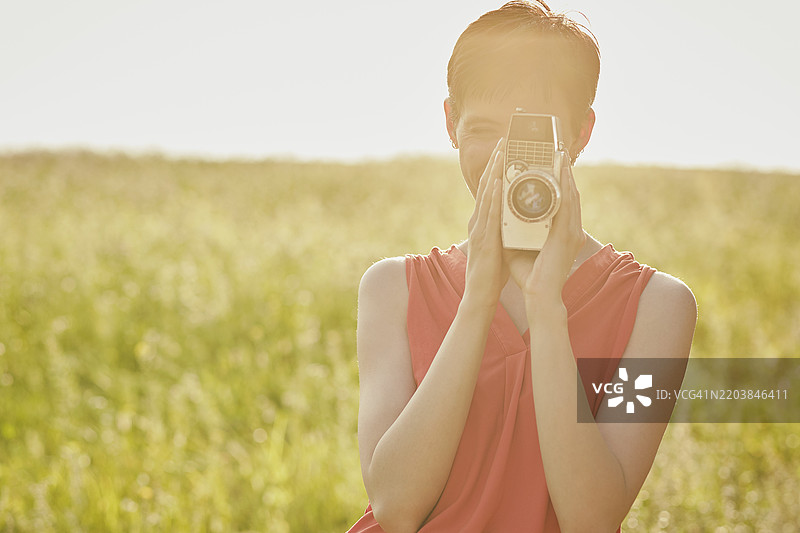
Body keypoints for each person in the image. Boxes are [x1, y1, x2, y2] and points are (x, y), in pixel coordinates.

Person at [347, 2, 697, 532]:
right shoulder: (391, 288)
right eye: (484, 128)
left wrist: (546, 308)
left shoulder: (659, 307)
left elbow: (592, 518)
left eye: (534, 132)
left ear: (581, 133)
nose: (507, 157)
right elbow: (395, 506)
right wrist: (477, 300)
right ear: (450, 124)